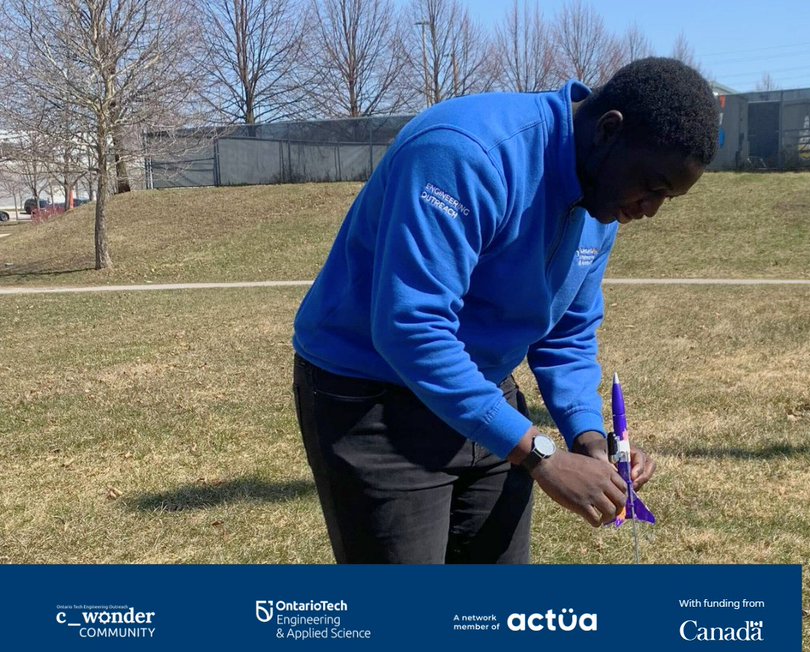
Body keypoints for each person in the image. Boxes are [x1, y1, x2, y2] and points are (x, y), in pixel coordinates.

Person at [292, 57, 720, 564]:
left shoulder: (601, 196)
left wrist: (587, 439)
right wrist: (539, 454)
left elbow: (567, 332)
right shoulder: (466, 154)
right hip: (373, 400)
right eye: (651, 187)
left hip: (486, 395)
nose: (650, 210)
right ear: (609, 130)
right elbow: (412, 327)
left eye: (667, 197)